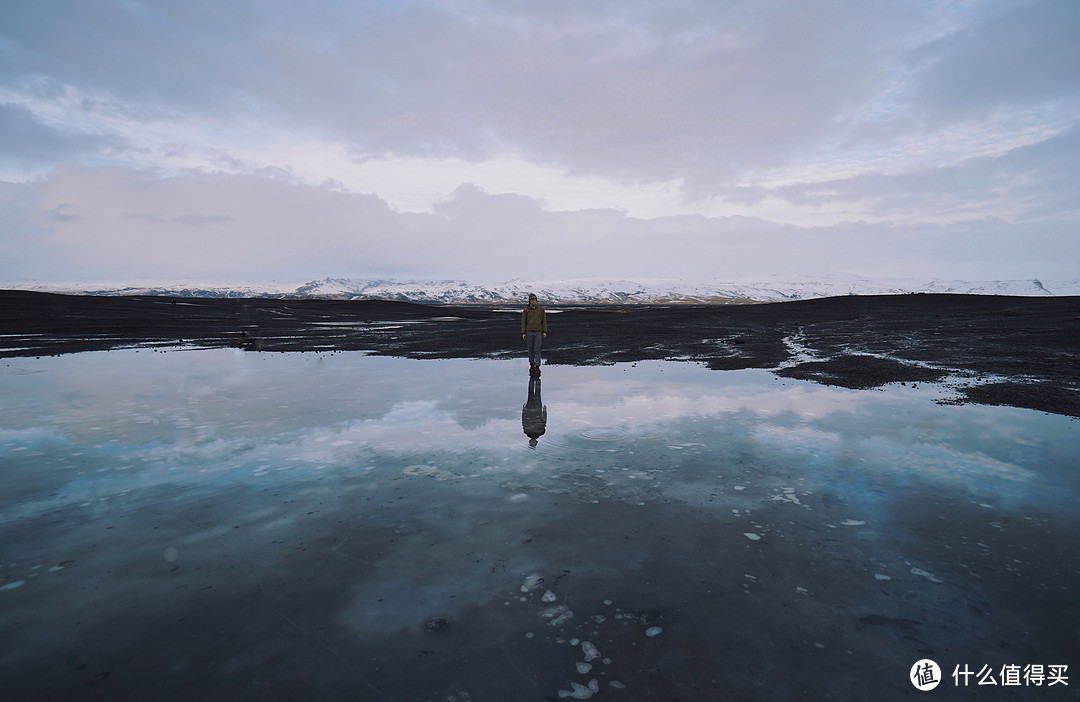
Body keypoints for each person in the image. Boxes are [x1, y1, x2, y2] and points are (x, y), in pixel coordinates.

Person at [521, 293, 547, 375]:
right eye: (532, 300)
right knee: (530, 349)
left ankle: (537, 366)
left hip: (538, 332)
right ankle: (532, 365)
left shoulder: (541, 310)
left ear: (536, 301)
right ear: (529, 301)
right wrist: (523, 332)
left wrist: (544, 331)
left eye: (534, 300)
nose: (533, 301)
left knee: (537, 349)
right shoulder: (526, 310)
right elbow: (523, 322)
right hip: (529, 332)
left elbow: (544, 321)